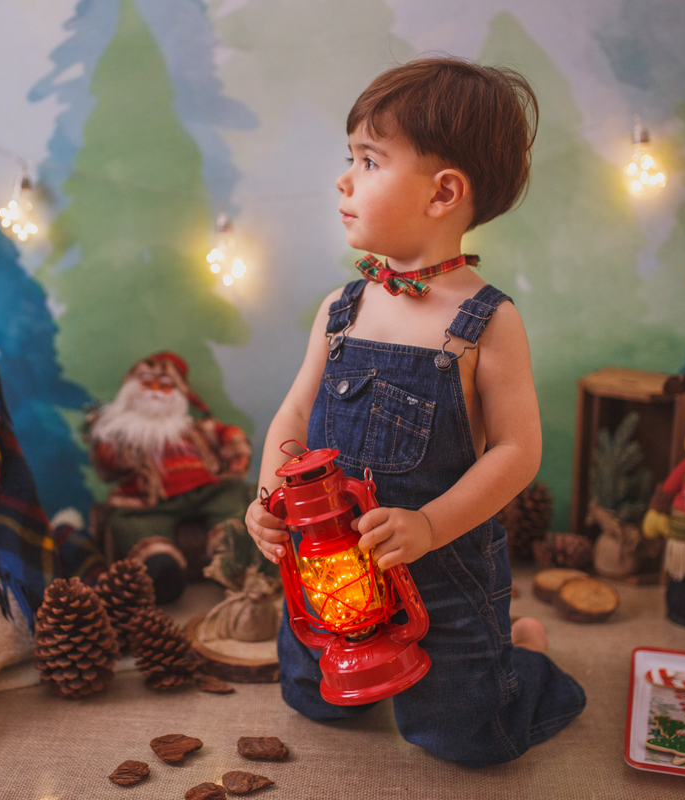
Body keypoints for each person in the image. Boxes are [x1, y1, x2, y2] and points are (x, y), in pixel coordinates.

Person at [244, 57, 586, 766]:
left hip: (444, 570)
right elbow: (296, 411)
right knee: (313, 701)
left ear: (443, 194)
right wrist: (269, 494)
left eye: (368, 160)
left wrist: (430, 526)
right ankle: (470, 656)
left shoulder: (486, 321)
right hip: (333, 573)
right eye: (350, 157)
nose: (343, 179)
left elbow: (517, 452)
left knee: (467, 739)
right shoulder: (341, 309)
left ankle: (520, 660)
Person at [87, 351, 253, 602]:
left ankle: (233, 556)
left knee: (234, 501)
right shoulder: (122, 434)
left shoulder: (191, 428)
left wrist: (235, 447)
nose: (154, 391)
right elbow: (108, 466)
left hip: (208, 488)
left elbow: (225, 432)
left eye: (164, 386)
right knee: (129, 522)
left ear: (177, 394)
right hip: (150, 500)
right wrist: (109, 449)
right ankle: (160, 568)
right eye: (147, 384)